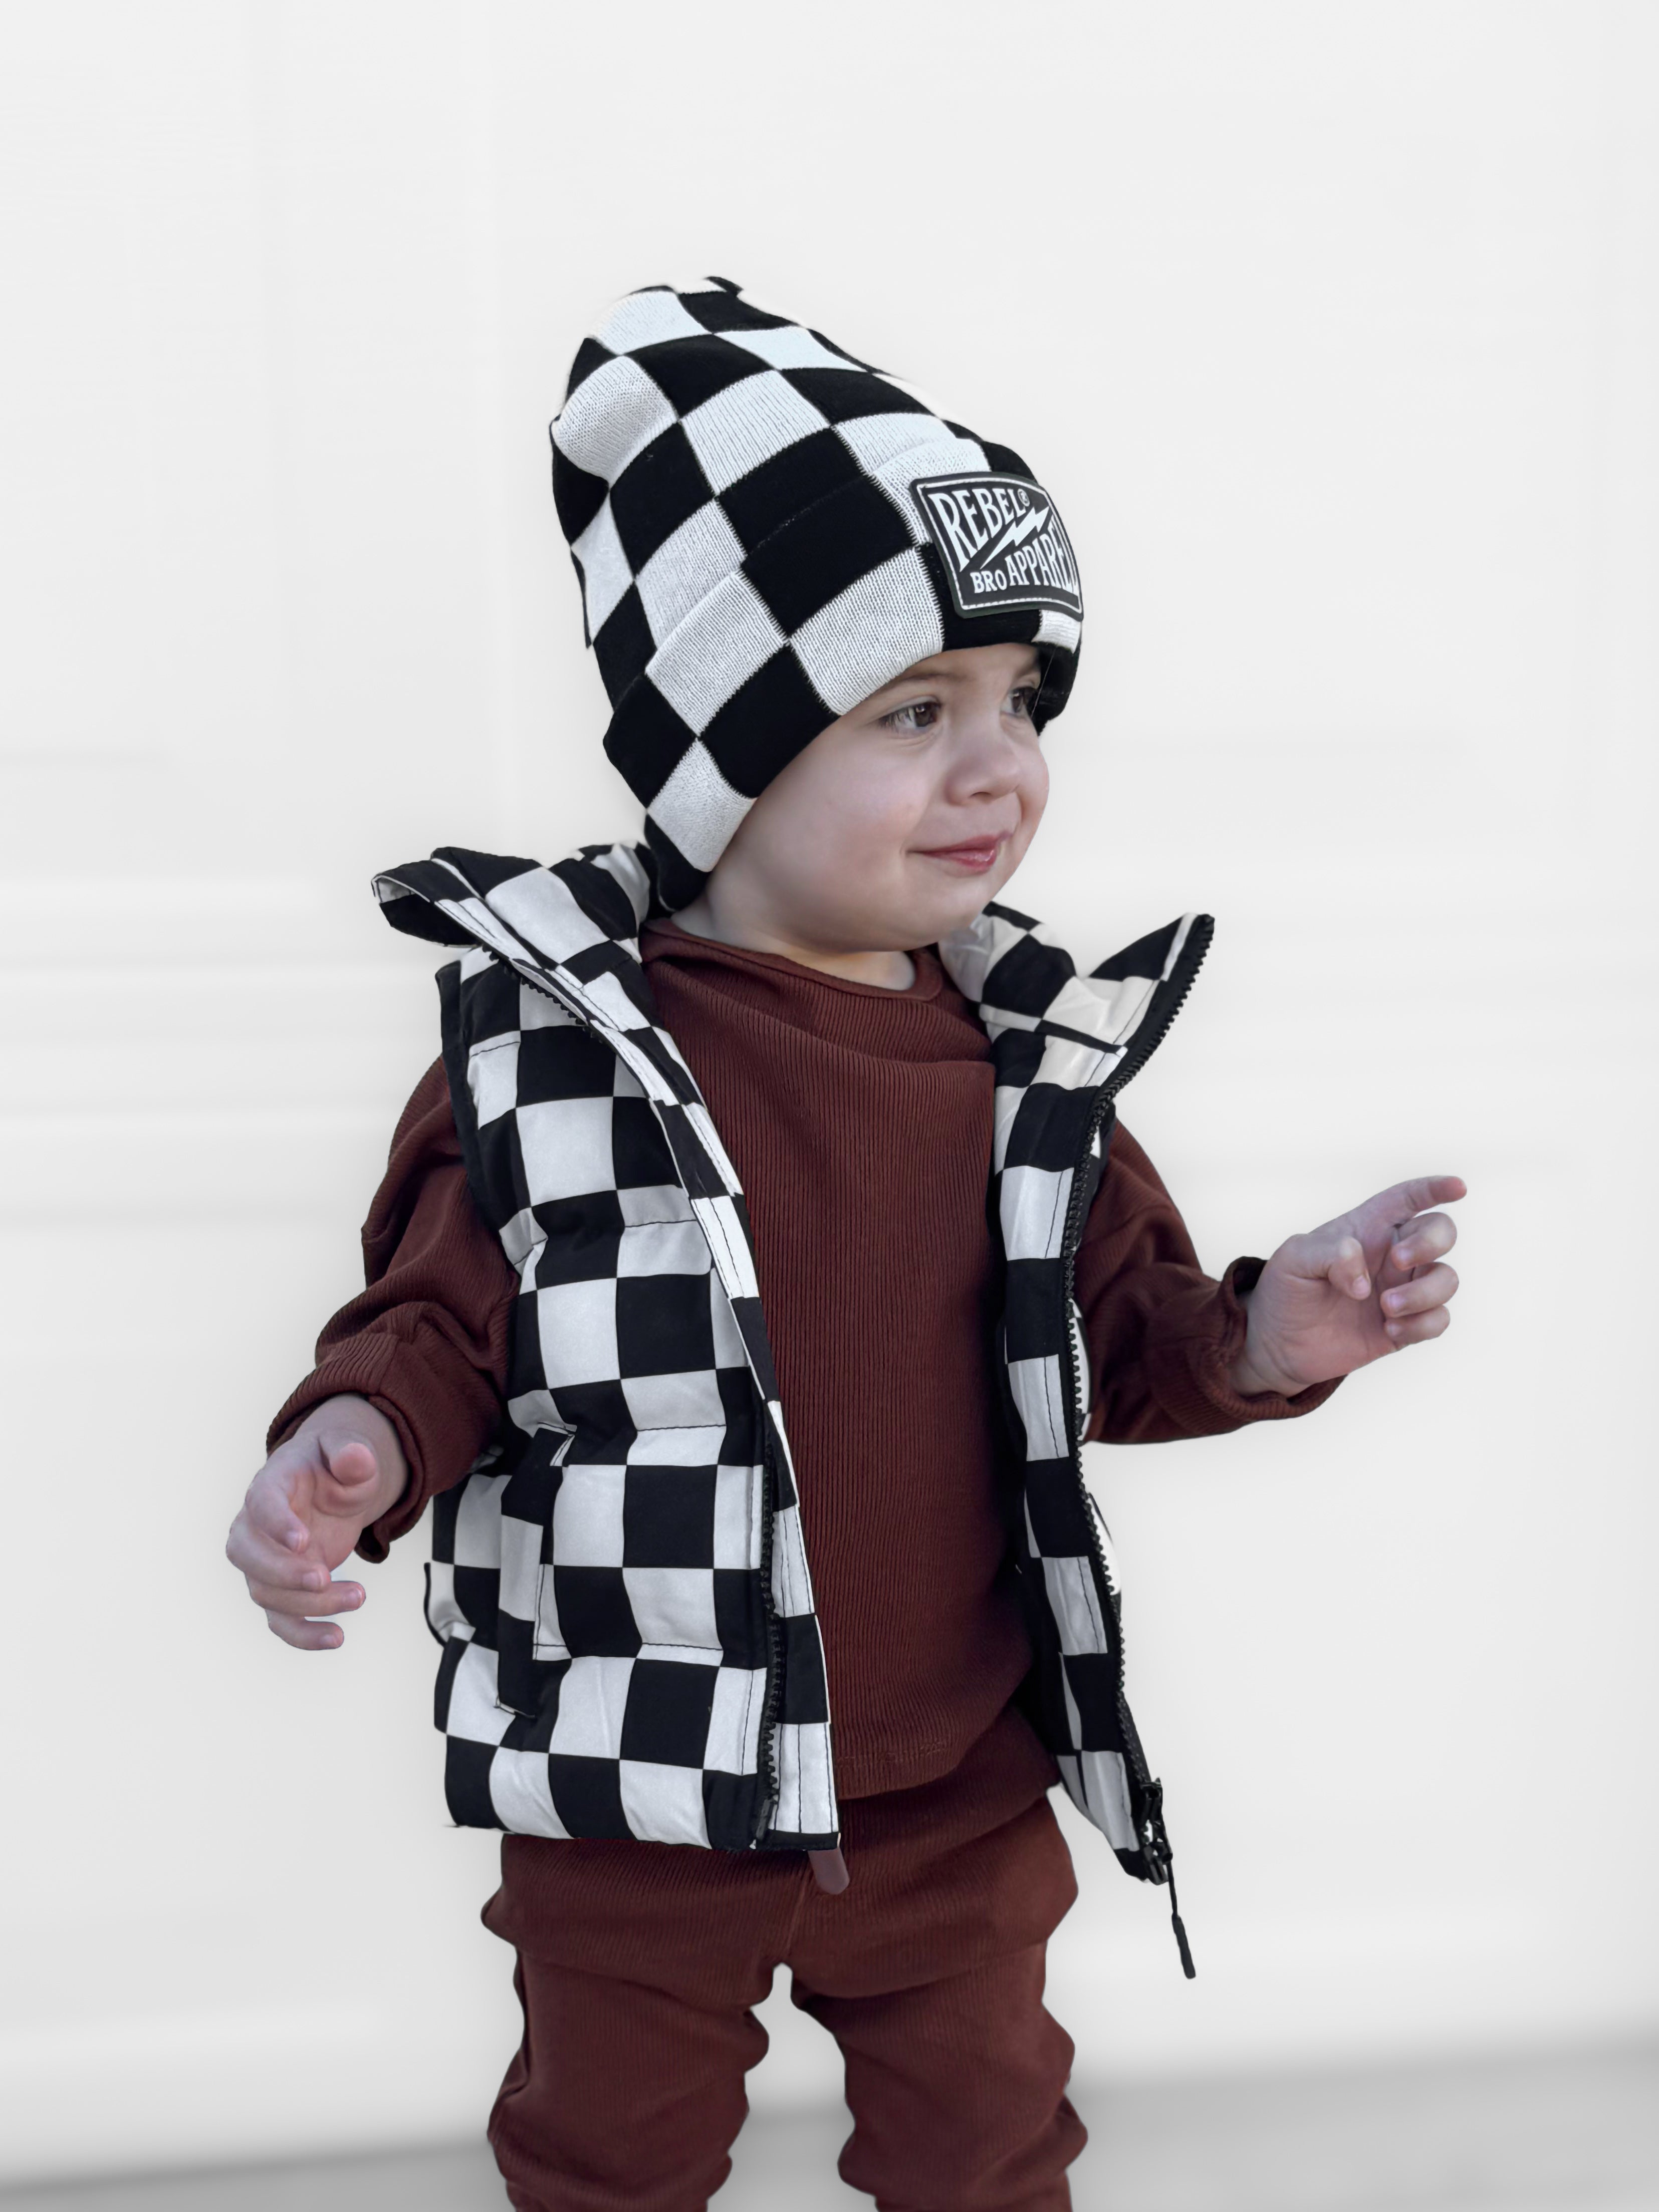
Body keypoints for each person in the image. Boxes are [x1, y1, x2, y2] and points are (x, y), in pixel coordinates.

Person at [225, 278, 1464, 2212]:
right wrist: (356, 1445)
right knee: (609, 2160)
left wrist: (1257, 1339)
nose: (1001, 767)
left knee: (990, 2153)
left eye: (1022, 701)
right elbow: (438, 1326)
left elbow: (1116, 1337)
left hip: (951, 1784)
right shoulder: (563, 1058)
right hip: (647, 1791)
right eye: (915, 711)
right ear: (724, 755)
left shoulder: (1025, 1063)